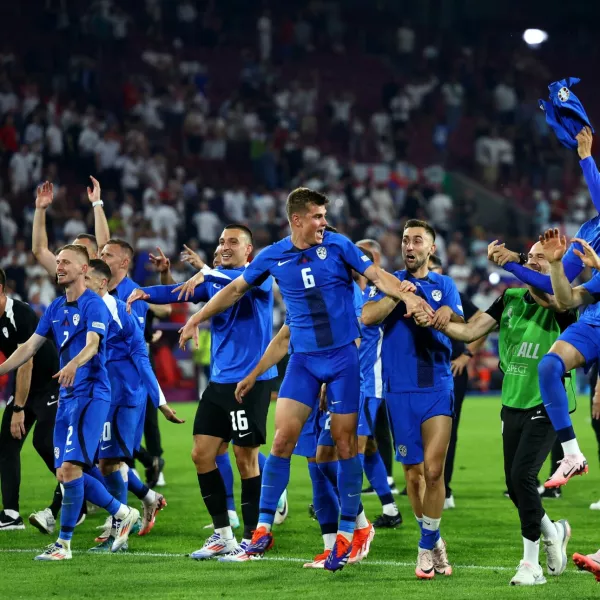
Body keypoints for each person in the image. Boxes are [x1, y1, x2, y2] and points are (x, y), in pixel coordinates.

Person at [179, 188, 428, 571]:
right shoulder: (273, 256)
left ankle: (347, 535)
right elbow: (234, 290)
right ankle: (261, 529)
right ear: (297, 219)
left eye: (324, 216)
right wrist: (197, 317)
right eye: (317, 216)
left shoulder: (339, 246)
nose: (323, 222)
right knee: (280, 441)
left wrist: (408, 298)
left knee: (345, 446)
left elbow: (377, 274)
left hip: (343, 361)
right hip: (304, 363)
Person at [129, 224, 278, 562]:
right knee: (202, 453)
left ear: (248, 251)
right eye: (222, 240)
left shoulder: (262, 277)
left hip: (250, 380)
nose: (225, 245)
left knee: (245, 459)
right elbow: (178, 292)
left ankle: (253, 541)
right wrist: (144, 292)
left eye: (234, 242)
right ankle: (223, 535)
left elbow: (235, 288)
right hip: (220, 380)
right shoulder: (211, 279)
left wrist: (205, 273)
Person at [436, 239, 574, 585]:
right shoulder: (509, 299)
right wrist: (434, 321)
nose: (536, 264)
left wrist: (514, 264)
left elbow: (551, 297)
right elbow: (469, 332)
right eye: (533, 258)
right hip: (511, 402)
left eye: (544, 259)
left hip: (547, 403)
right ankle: (552, 529)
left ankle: (531, 565)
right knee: (515, 487)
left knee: (524, 478)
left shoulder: (564, 301)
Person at [32, 182, 169, 519]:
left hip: (118, 382)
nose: (65, 262)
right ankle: (136, 500)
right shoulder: (78, 287)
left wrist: (98, 205)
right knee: (92, 456)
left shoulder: (115, 290)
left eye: (99, 254)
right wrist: (41, 210)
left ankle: (108, 517)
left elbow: (165, 311)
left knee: (105, 457)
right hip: (86, 381)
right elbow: (40, 252)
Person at [0, 245, 139, 560]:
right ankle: (122, 512)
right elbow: (29, 347)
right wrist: (2, 368)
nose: (59, 266)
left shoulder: (94, 305)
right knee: (65, 472)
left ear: (83, 268)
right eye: (58, 261)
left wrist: (74, 364)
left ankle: (63, 545)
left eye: (65, 262)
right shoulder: (54, 308)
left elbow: (93, 344)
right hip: (66, 396)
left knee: (70, 468)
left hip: (91, 393)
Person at [487, 128, 599, 485]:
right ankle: (571, 452)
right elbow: (561, 295)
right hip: (595, 314)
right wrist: (541, 264)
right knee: (550, 366)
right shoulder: (589, 230)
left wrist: (585, 158)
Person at [362, 219, 462, 579]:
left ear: (431, 249)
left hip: (436, 385)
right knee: (414, 475)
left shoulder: (444, 285)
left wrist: (448, 312)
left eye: (417, 240)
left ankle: (424, 546)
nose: (409, 245)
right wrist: (397, 295)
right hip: (399, 390)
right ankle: (433, 540)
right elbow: (366, 318)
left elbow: (461, 323)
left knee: (434, 472)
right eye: (405, 240)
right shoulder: (388, 283)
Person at [85, 259, 184, 552]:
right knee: (96, 461)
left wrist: (162, 402)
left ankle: (120, 530)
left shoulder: (119, 311)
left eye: (87, 277)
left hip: (124, 397)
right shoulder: (85, 307)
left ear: (102, 282)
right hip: (101, 395)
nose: (82, 282)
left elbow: (142, 359)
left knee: (108, 462)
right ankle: (145, 498)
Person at [0, 268, 61, 532]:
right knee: (7, 446)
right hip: (27, 387)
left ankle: (73, 490)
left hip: (51, 382)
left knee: (44, 443)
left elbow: (26, 362)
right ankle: (11, 514)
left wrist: (18, 408)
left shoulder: (20, 313)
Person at [427, 254, 485, 509]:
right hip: (421, 371)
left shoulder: (452, 296)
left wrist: (467, 354)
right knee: (418, 432)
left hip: (451, 371)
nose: (431, 273)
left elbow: (482, 320)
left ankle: (444, 487)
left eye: (435, 268)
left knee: (448, 431)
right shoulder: (412, 293)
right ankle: (421, 480)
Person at [354, 247, 402, 528]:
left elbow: (367, 320)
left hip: (369, 382)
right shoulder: (347, 292)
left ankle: (341, 503)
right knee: (368, 446)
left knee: (355, 445)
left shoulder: (376, 293)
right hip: (347, 381)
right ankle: (391, 510)